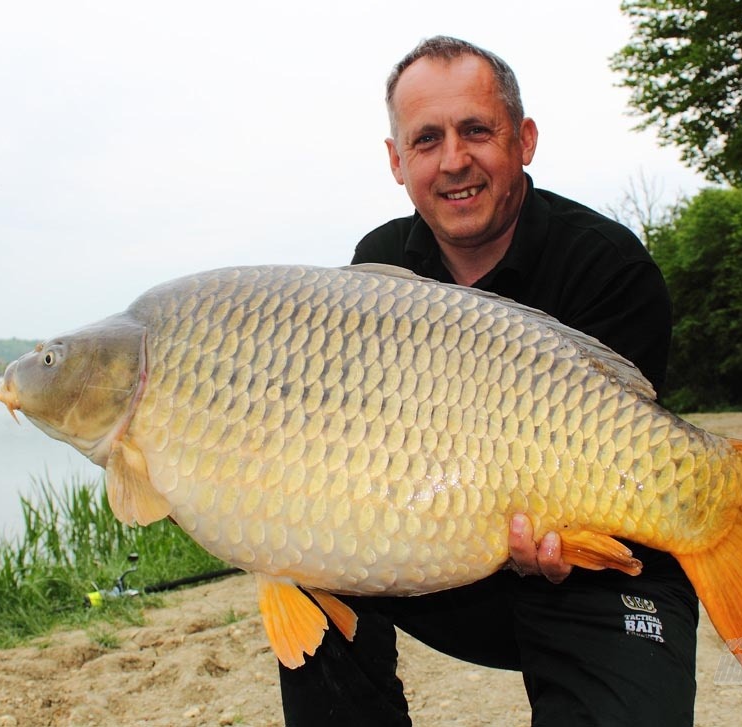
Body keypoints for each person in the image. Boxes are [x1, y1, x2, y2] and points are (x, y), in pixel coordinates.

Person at [277, 36, 698, 726]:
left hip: (598, 570)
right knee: (302, 553)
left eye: (477, 130)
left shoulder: (608, 265)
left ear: (524, 140)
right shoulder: (376, 266)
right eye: (426, 139)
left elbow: (624, 465)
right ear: (397, 161)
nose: (454, 161)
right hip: (442, 570)